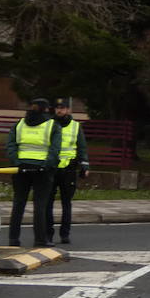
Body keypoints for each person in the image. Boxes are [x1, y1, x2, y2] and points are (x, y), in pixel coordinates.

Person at [3, 97, 62, 249]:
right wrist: (45, 165)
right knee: (40, 205)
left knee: (18, 203)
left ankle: (13, 239)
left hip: (21, 169)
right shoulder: (52, 126)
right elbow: (55, 150)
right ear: (47, 109)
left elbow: (10, 146)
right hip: (42, 170)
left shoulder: (19, 124)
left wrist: (17, 163)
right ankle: (40, 240)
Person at [48, 97, 90, 246]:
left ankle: (65, 234)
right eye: (57, 107)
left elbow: (82, 147)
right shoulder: (48, 124)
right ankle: (48, 234)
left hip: (69, 169)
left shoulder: (75, 126)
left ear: (68, 110)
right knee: (48, 203)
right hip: (51, 169)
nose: (60, 110)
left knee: (67, 203)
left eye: (63, 107)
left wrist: (84, 166)